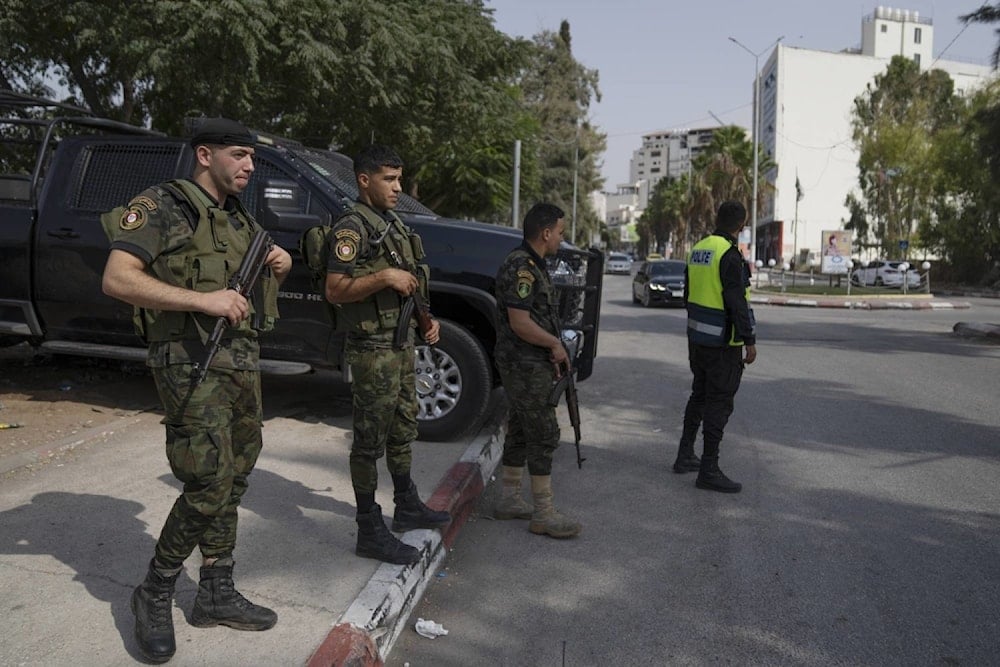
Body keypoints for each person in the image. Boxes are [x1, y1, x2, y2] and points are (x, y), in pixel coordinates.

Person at [101, 118, 292, 664]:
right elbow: (117, 278)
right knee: (208, 480)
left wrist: (279, 264)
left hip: (240, 361)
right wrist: (201, 301)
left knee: (235, 475)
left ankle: (215, 589)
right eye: (239, 155)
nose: (250, 166)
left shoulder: (238, 219)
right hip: (188, 359)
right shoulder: (162, 205)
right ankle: (155, 589)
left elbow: (254, 288)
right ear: (204, 155)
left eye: (252, 157)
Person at [323, 144, 450, 565]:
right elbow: (335, 288)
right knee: (368, 442)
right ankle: (368, 526)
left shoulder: (392, 223)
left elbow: (411, 283)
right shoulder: (352, 228)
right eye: (388, 179)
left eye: (399, 179)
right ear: (364, 180)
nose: (397, 187)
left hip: (400, 344)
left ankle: (406, 503)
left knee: (402, 430)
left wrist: (425, 321)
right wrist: (382, 276)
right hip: (372, 350)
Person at [493, 203, 581, 538]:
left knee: (520, 427)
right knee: (544, 434)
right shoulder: (523, 268)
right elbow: (520, 322)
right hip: (524, 362)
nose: (562, 237)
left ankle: (510, 499)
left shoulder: (532, 264)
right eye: (560, 231)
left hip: (528, 361)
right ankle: (543, 512)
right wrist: (554, 345)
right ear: (545, 233)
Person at [672, 200, 756, 493]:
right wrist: (749, 340)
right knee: (718, 403)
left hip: (698, 340)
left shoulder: (698, 249)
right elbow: (736, 301)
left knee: (699, 396)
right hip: (723, 343)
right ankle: (708, 469)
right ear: (741, 226)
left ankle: (685, 455)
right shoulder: (730, 255)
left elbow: (687, 295)